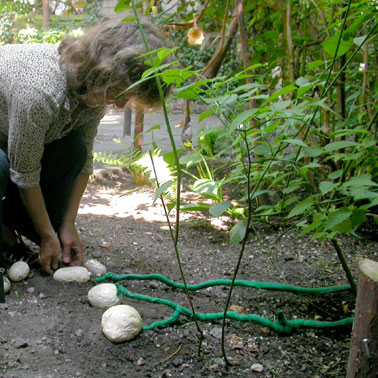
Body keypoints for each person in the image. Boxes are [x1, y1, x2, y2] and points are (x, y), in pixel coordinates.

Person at [0, 18, 170, 276]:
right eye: (120, 94)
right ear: (104, 71)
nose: (120, 105)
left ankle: (15, 219)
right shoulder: (40, 92)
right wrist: (47, 234)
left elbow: (85, 161)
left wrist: (68, 225)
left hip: (7, 135)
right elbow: (25, 171)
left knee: (74, 151)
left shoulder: (94, 92)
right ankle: (4, 235)